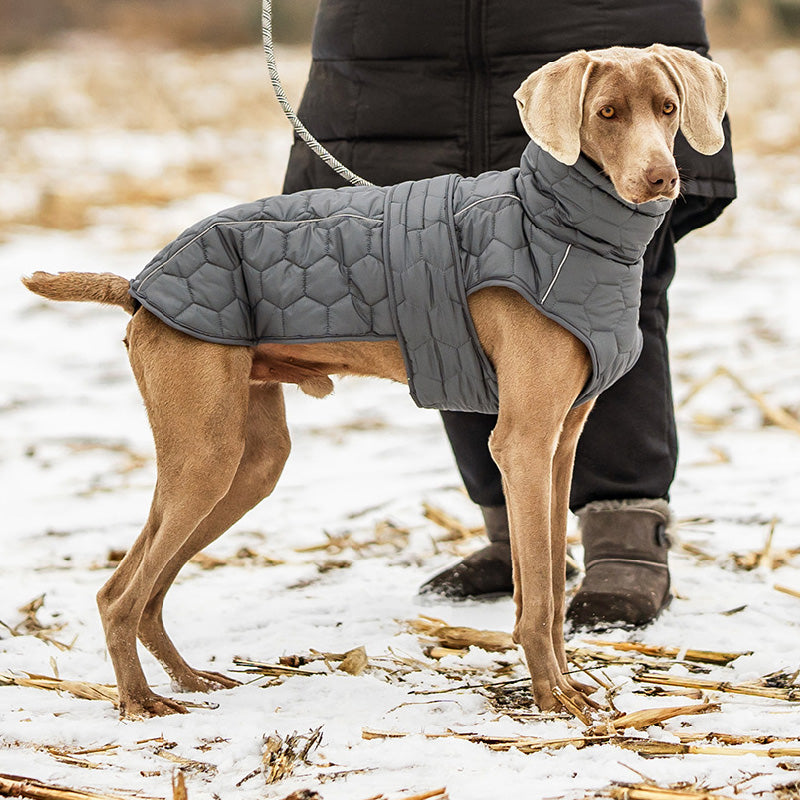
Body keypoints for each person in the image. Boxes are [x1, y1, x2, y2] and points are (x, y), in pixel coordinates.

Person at [282, 0, 736, 627]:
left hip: (585, 19)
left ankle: (625, 533)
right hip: (396, 52)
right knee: (431, 280)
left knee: (605, 281)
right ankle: (515, 534)